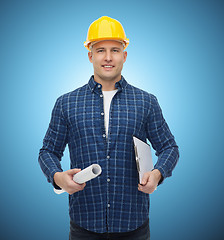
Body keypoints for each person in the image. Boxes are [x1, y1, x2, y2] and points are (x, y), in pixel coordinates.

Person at [38, 16, 179, 240]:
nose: (108, 57)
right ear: (90, 55)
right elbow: (48, 151)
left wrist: (157, 174)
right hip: (84, 224)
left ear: (124, 55)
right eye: (100, 49)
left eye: (115, 49)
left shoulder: (146, 101)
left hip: (133, 225)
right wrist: (57, 177)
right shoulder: (66, 103)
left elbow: (169, 147)